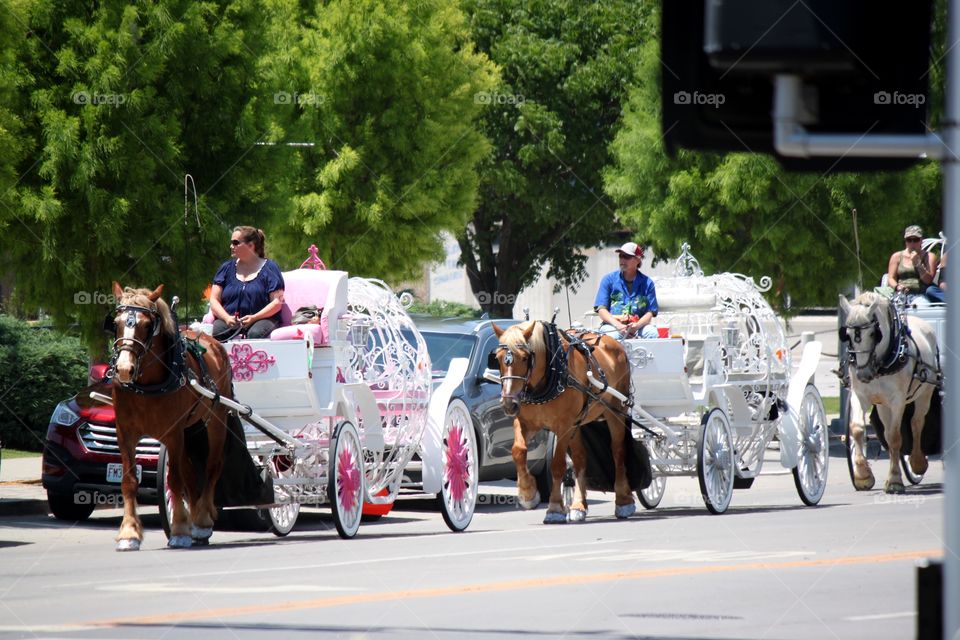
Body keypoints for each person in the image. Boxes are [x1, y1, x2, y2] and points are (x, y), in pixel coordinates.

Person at [209, 226, 285, 340]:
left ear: (250, 246)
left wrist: (254, 318)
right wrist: (226, 318)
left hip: (262, 319)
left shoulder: (270, 268)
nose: (231, 246)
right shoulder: (225, 268)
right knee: (218, 332)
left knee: (255, 334)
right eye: (231, 243)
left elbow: (277, 302)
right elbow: (214, 300)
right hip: (230, 320)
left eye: (236, 243)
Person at [594, 242, 659, 339]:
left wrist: (637, 326)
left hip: (638, 327)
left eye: (627, 257)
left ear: (638, 259)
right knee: (613, 336)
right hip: (613, 327)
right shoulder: (608, 280)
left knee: (652, 333)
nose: (622, 260)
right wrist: (618, 326)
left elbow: (650, 312)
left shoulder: (648, 283)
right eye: (621, 256)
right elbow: (601, 309)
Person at [887, 225, 938, 307]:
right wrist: (897, 287)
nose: (912, 243)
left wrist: (918, 264)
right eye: (909, 240)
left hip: (920, 295)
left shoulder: (929, 256)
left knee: (921, 308)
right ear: (905, 241)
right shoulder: (896, 256)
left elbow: (928, 281)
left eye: (916, 240)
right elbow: (890, 278)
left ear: (921, 240)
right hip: (900, 295)